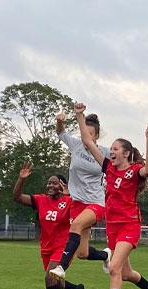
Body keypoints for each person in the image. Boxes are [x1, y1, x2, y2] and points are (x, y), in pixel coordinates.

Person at [55, 102, 148, 289]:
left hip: (129, 227)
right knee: (127, 273)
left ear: (127, 153)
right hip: (113, 228)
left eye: (115, 149)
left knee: (114, 269)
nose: (110, 151)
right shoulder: (108, 168)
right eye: (110, 148)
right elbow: (88, 141)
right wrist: (79, 115)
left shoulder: (134, 170)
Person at [13, 162, 90, 289]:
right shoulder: (41, 200)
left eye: (54, 183)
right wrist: (21, 179)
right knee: (57, 283)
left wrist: (70, 194)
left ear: (62, 186)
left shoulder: (70, 201)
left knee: (50, 277)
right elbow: (17, 197)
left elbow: (85, 210)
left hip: (63, 246)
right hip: (46, 247)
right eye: (49, 183)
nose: (50, 185)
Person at [52, 109, 110, 275]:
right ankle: (106, 255)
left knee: (76, 225)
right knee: (82, 254)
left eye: (90, 134)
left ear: (96, 136)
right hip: (77, 203)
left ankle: (61, 268)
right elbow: (61, 132)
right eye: (84, 132)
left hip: (95, 203)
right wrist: (60, 121)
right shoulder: (76, 145)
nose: (86, 137)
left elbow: (119, 160)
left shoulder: (104, 152)